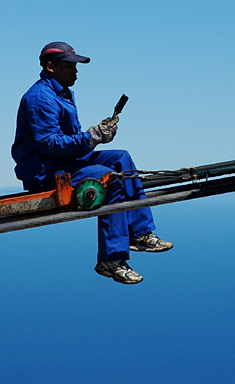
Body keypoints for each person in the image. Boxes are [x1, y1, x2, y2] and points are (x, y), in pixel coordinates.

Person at [12, 42, 172, 284]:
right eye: (69, 66)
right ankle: (111, 259)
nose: (75, 71)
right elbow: (48, 144)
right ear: (50, 67)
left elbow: (67, 139)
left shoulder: (61, 92)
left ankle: (139, 234)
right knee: (111, 178)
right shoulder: (41, 98)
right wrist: (92, 136)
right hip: (44, 171)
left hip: (62, 162)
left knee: (121, 158)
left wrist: (94, 135)